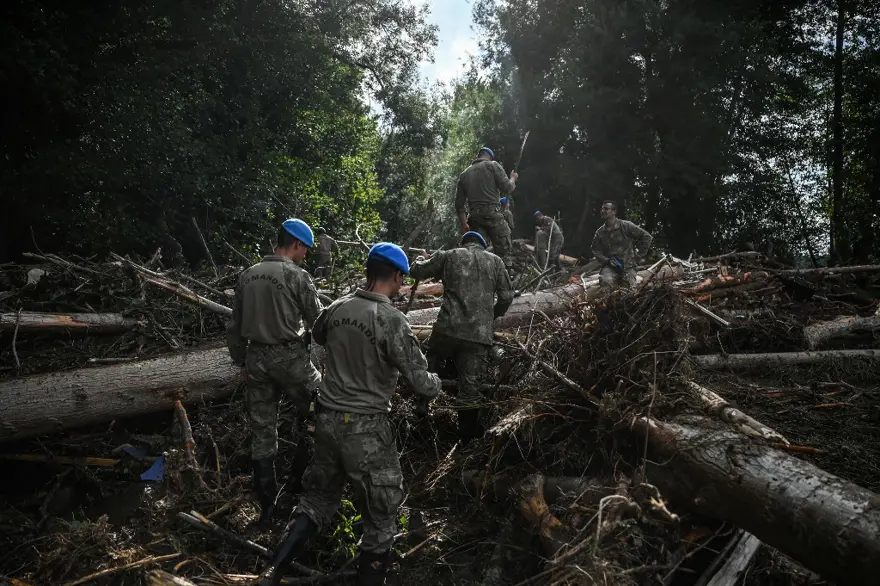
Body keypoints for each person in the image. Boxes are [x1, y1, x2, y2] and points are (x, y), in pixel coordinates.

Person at [256, 243, 441, 586]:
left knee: (317, 500)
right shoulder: (391, 320)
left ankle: (273, 571)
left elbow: (320, 335)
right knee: (382, 514)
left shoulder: (337, 308)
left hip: (326, 421)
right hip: (366, 429)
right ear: (398, 277)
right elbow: (421, 383)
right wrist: (437, 381)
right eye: (402, 279)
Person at [226, 218, 323, 529]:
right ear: (295, 244)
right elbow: (319, 324)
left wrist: (242, 362)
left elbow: (235, 327)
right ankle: (302, 485)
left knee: (263, 434)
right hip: (290, 358)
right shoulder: (297, 276)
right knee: (322, 410)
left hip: (256, 359)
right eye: (305, 249)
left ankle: (267, 511)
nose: (305, 254)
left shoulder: (247, 275)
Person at [409, 231, 514, 441]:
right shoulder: (496, 261)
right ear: (483, 245)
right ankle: (466, 439)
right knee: (470, 388)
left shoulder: (449, 255)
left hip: (447, 328)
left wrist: (419, 258)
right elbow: (506, 296)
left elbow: (416, 272)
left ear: (464, 243)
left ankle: (423, 402)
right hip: (478, 336)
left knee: (431, 355)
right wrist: (492, 315)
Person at [455, 147, 518, 267]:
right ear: (490, 157)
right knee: (504, 252)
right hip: (493, 214)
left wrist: (464, 223)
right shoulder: (492, 165)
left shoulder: (464, 175)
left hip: (474, 218)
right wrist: (513, 178)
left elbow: (459, 205)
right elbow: (507, 188)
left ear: (478, 156)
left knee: (476, 253)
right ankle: (504, 279)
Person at [591, 201, 653, 289]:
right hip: (610, 267)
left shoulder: (625, 226)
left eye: (606, 209)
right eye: (602, 209)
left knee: (627, 286)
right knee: (605, 281)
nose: (602, 211)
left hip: (628, 265)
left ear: (614, 211)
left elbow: (647, 237)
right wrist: (606, 260)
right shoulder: (600, 232)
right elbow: (595, 250)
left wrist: (639, 256)